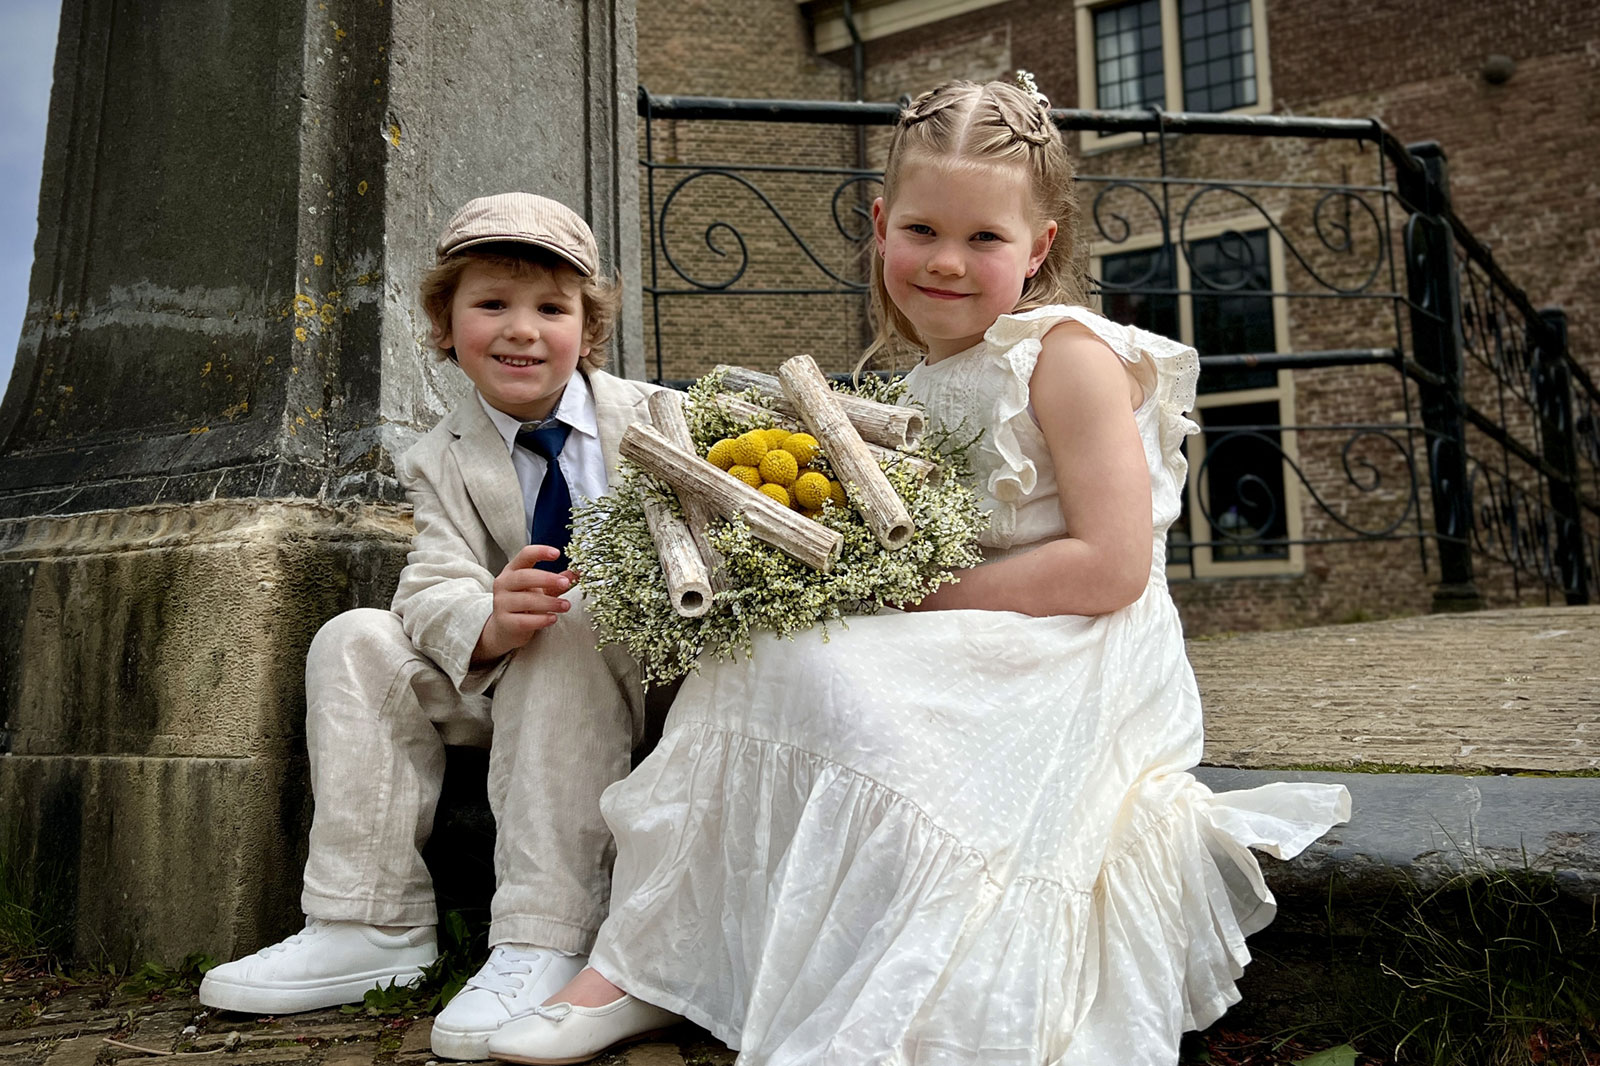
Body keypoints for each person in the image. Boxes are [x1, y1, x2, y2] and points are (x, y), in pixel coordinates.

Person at [489, 77, 1352, 1066]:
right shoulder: (917, 383)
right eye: (922, 231)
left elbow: (1113, 565)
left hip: (1075, 646)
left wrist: (909, 598)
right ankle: (646, 964)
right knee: (753, 650)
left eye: (984, 238)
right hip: (973, 620)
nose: (946, 261)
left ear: (1039, 246)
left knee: (821, 672)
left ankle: (745, 971)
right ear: (879, 225)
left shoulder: (1065, 356)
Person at [197, 192, 669, 1062]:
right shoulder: (438, 457)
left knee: (566, 614)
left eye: (551, 309)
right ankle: (368, 923)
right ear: (446, 325)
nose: (522, 330)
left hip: (654, 683)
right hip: (520, 681)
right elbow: (432, 584)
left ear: (589, 330)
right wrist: (488, 618)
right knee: (355, 638)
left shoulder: (655, 418)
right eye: (491, 304)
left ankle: (545, 934)